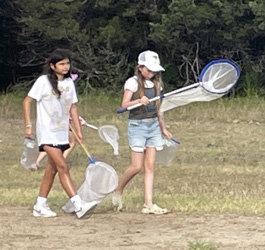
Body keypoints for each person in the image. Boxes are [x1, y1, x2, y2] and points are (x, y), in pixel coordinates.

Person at [23, 48, 97, 219]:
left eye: (67, 63)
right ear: (53, 66)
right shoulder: (43, 81)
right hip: (47, 133)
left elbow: (73, 107)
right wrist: (28, 125)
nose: (65, 67)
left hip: (62, 132)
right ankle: (78, 204)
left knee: (52, 169)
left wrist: (78, 130)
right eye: (61, 64)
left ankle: (40, 205)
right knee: (63, 166)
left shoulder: (70, 83)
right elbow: (27, 101)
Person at [112, 50, 172, 214]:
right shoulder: (132, 83)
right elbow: (124, 104)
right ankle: (118, 189)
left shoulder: (158, 84)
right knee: (136, 166)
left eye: (154, 70)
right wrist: (139, 100)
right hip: (137, 126)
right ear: (140, 67)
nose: (151, 73)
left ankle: (148, 204)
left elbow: (159, 108)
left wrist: (163, 127)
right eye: (148, 70)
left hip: (153, 126)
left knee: (150, 166)